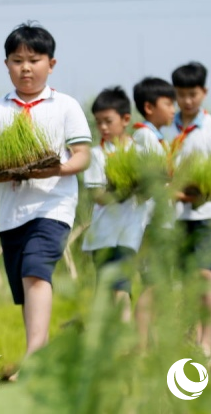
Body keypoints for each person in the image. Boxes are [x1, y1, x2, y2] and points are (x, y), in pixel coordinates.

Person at [0, 22, 91, 374]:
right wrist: (4, 169)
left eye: (34, 59)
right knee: (26, 286)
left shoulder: (65, 106)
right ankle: (40, 351)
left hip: (53, 206)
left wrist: (54, 170)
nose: (25, 67)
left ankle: (35, 356)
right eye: (17, 60)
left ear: (51, 64)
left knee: (37, 272)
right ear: (7, 64)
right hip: (12, 213)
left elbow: (82, 155)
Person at [166, 61, 211, 357]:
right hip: (176, 216)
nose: (187, 100)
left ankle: (206, 340)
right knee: (183, 279)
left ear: (204, 92)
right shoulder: (167, 129)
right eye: (181, 94)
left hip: (208, 214)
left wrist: (192, 192)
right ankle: (188, 334)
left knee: (206, 275)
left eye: (193, 94)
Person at [82, 87, 148, 322]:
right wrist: (123, 190)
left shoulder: (139, 152)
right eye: (98, 122)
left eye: (108, 121)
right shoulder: (96, 155)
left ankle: (124, 334)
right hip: (102, 235)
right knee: (106, 288)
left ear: (126, 119)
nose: (103, 128)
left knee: (121, 283)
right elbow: (98, 195)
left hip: (129, 233)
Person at [130, 76, 176, 349]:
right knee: (153, 284)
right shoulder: (144, 136)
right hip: (152, 221)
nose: (173, 109)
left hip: (161, 221)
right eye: (168, 103)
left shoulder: (157, 138)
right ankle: (143, 345)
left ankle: (151, 342)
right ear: (149, 107)